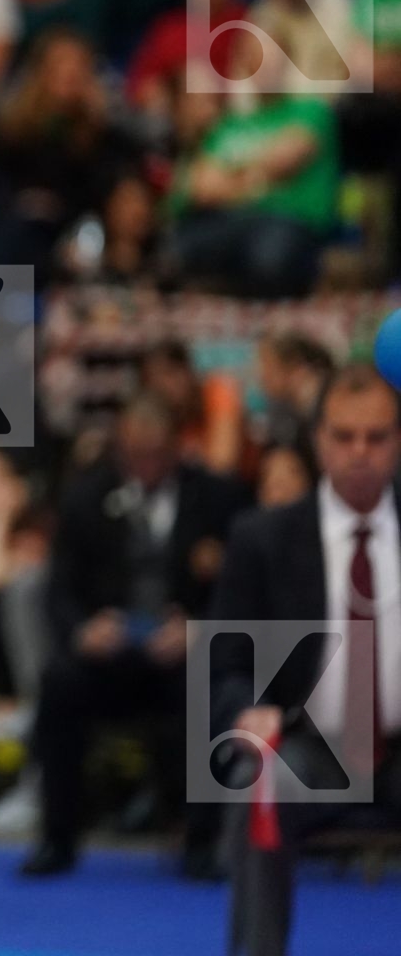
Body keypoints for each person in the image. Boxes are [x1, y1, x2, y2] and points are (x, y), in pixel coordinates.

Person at [214, 364, 401, 956]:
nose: (360, 452)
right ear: (319, 440)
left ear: (399, 440)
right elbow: (225, 663)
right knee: (257, 783)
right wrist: (247, 710)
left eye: (377, 437)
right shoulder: (262, 538)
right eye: (344, 436)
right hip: (311, 748)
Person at [20, 392, 248, 878]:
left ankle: (202, 842)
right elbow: (59, 589)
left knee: (211, 688)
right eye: (133, 455)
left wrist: (198, 629)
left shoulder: (219, 498)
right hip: (110, 652)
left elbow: (242, 590)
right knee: (59, 684)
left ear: (177, 447)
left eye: (155, 454)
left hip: (184, 654)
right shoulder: (85, 497)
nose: (144, 466)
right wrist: (84, 630)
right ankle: (57, 839)